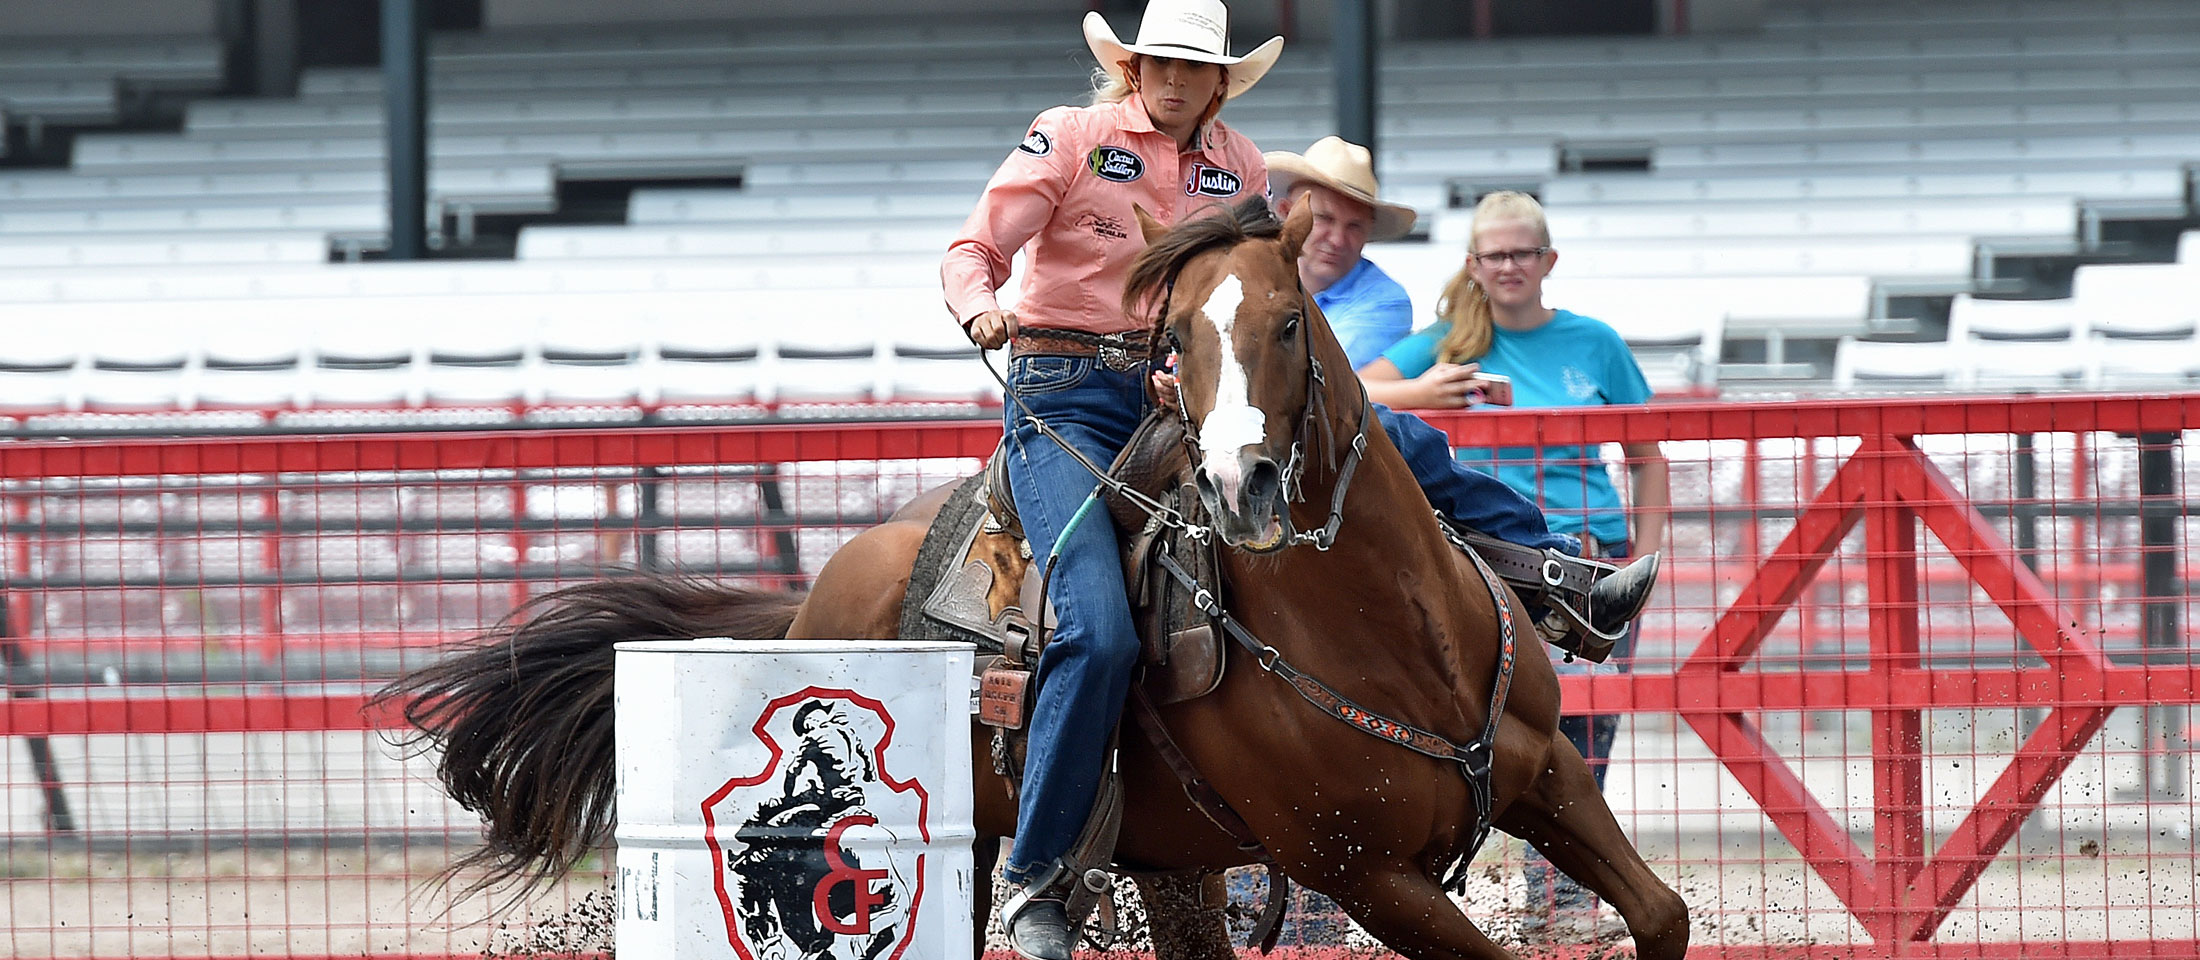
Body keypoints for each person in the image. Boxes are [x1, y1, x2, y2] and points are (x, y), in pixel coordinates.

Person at [940, 7, 1657, 958]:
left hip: (1178, 382)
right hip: (1062, 393)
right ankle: (1038, 875)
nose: (1176, 79)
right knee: (1097, 626)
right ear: (1134, 65)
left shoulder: (1238, 165)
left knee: (1389, 443)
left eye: (1197, 67)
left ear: (1222, 81)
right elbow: (975, 247)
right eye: (1162, 62)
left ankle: (1553, 577)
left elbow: (1243, 287)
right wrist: (981, 308)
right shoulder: (1071, 137)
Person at [1361, 190, 1671, 940]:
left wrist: (1645, 551)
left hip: (1588, 559)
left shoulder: (1595, 342)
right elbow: (1356, 390)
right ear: (1473, 264)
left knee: (1584, 738)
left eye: (1521, 253)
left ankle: (1563, 909)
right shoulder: (1446, 340)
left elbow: (1646, 451)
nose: (1508, 266)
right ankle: (1468, 889)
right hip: (1486, 565)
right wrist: (1429, 392)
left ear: (1548, 261)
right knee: (1492, 732)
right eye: (1494, 254)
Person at [1265, 136, 1417, 371]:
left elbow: (1322, 376)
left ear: (1368, 231)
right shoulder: (1252, 278)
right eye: (1324, 218)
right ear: (1286, 213)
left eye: (1355, 226)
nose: (1337, 240)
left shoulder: (1386, 301)